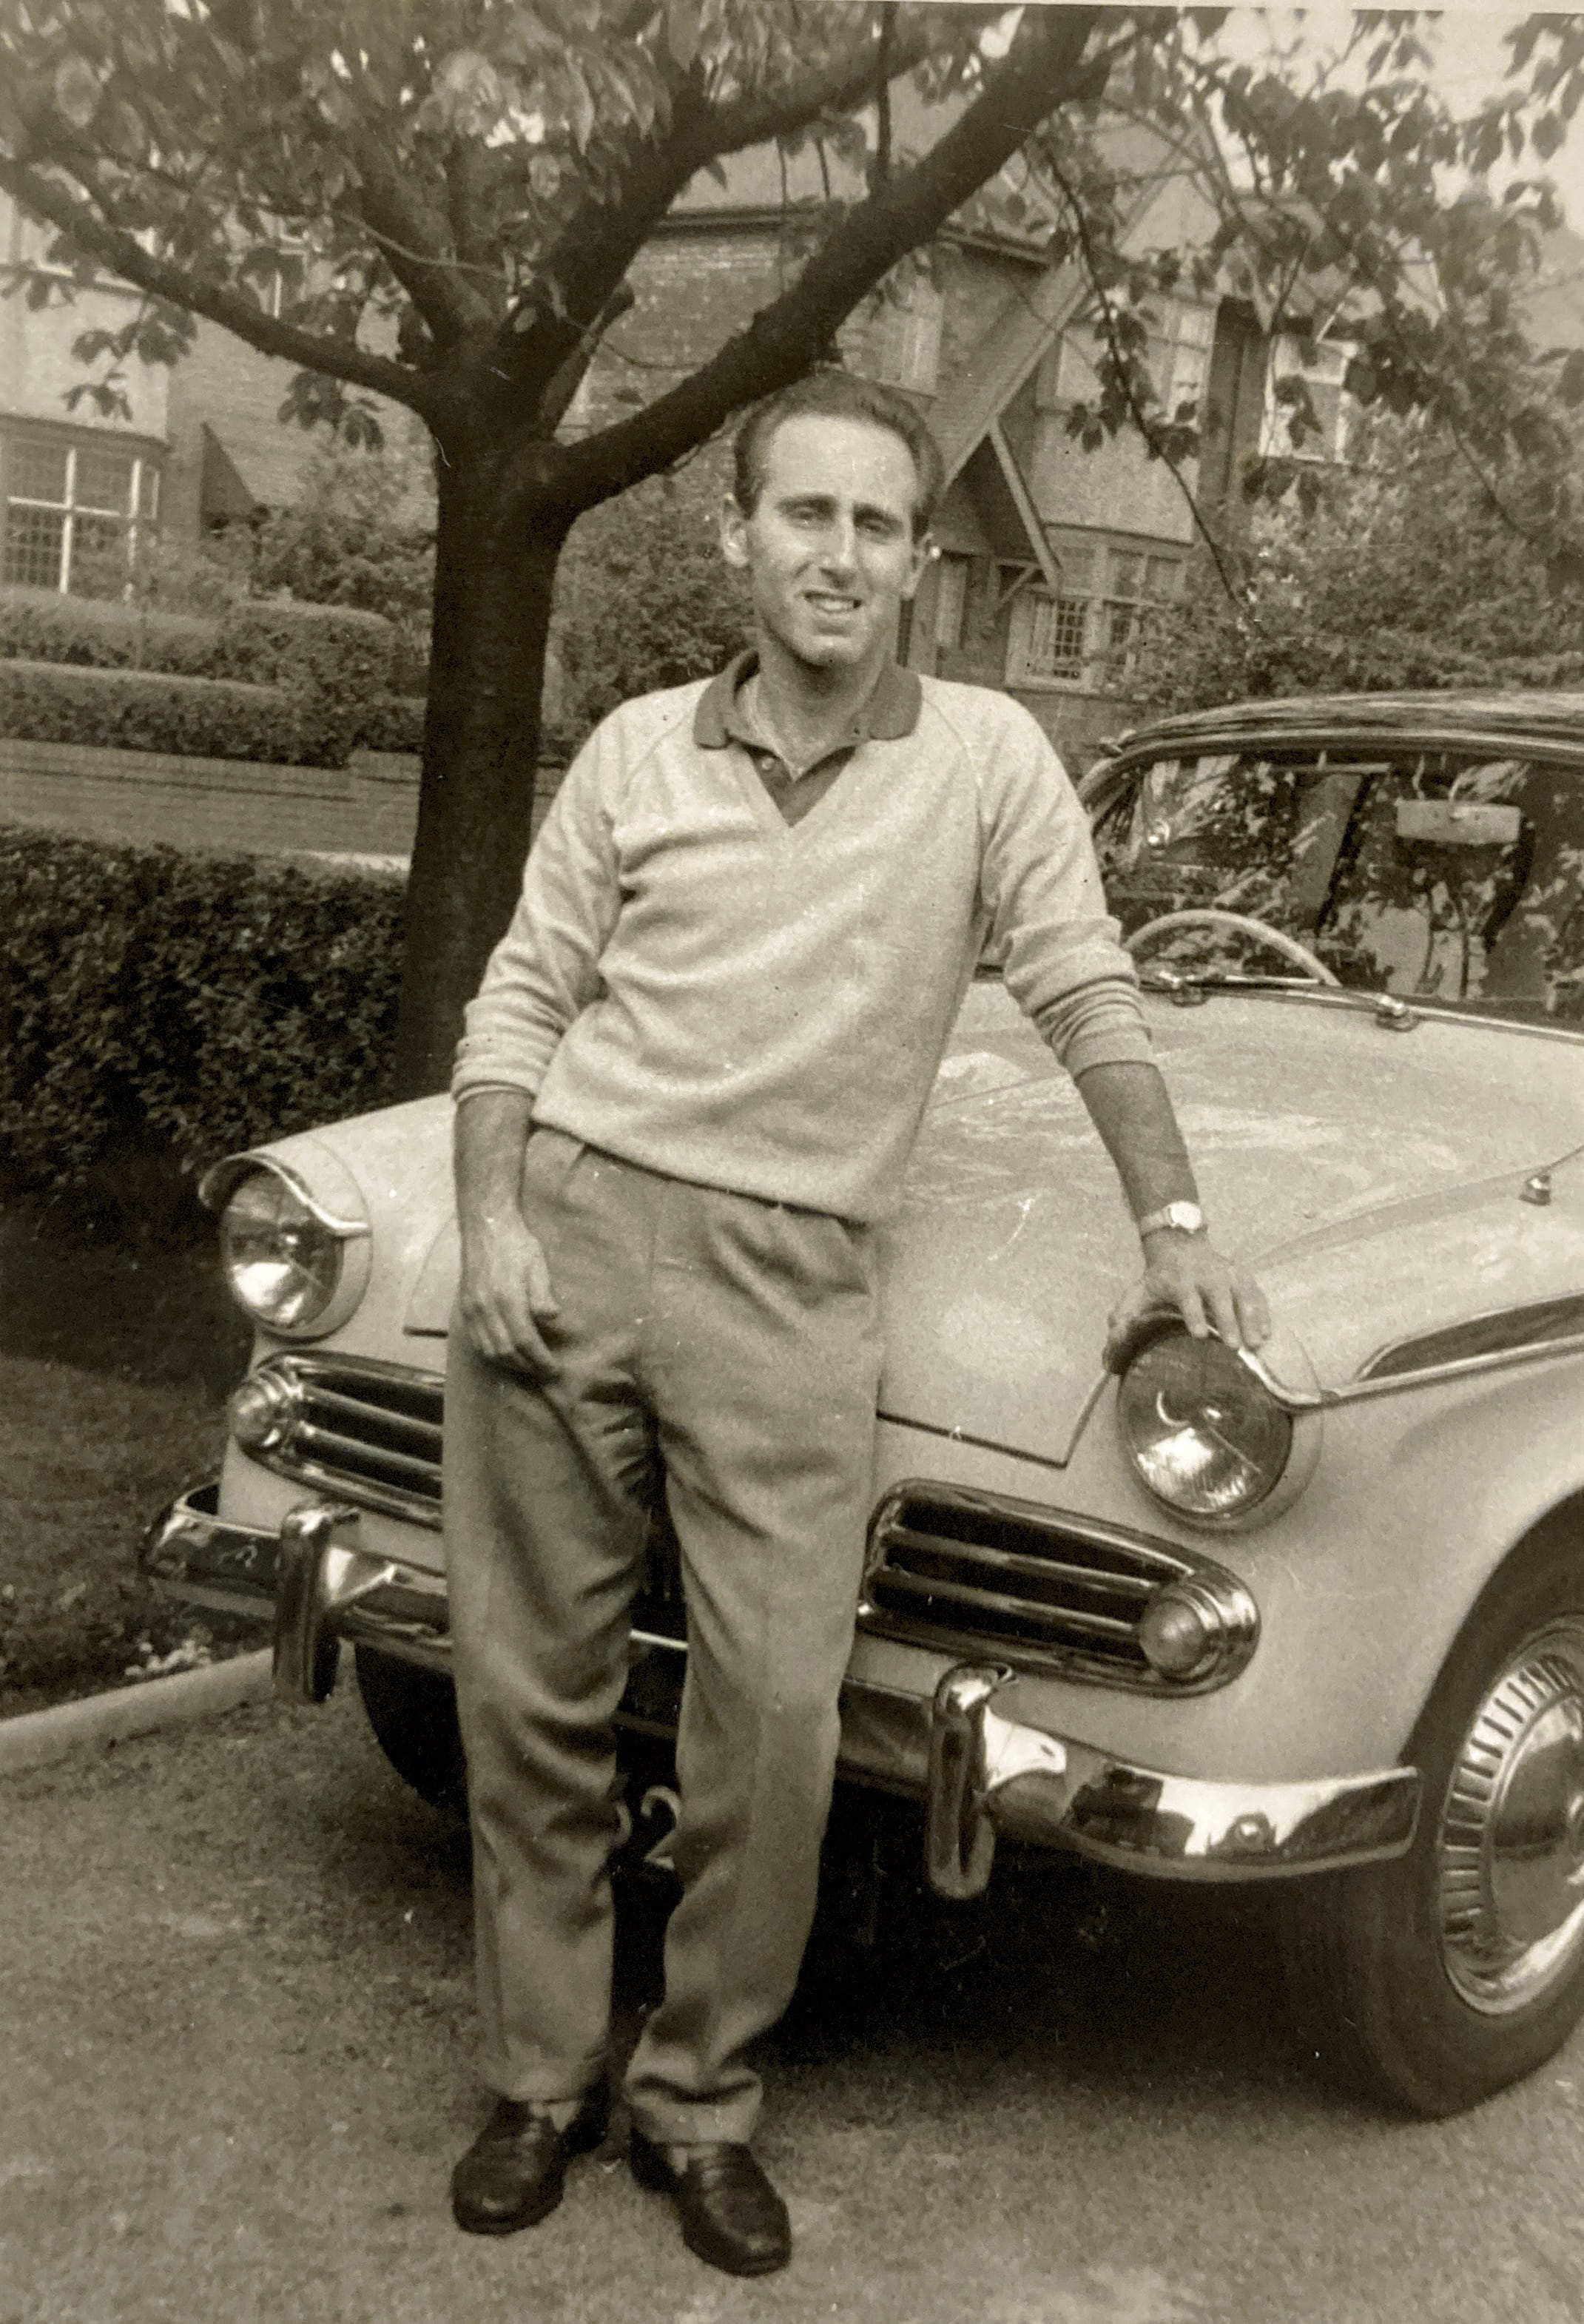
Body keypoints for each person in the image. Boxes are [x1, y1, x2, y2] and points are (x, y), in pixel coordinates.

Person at [442, 367, 1268, 2279]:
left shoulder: (987, 760)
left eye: (876, 525)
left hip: (798, 1277)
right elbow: (518, 1006)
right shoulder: (638, 752)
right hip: (574, 1233)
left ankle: (701, 2100)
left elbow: (1086, 987)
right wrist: (491, 1211)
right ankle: (542, 2077)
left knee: (779, 1717)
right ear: (740, 539)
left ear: (920, 563)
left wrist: (1177, 1218)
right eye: (803, 515)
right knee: (533, 1689)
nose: (838, 554)